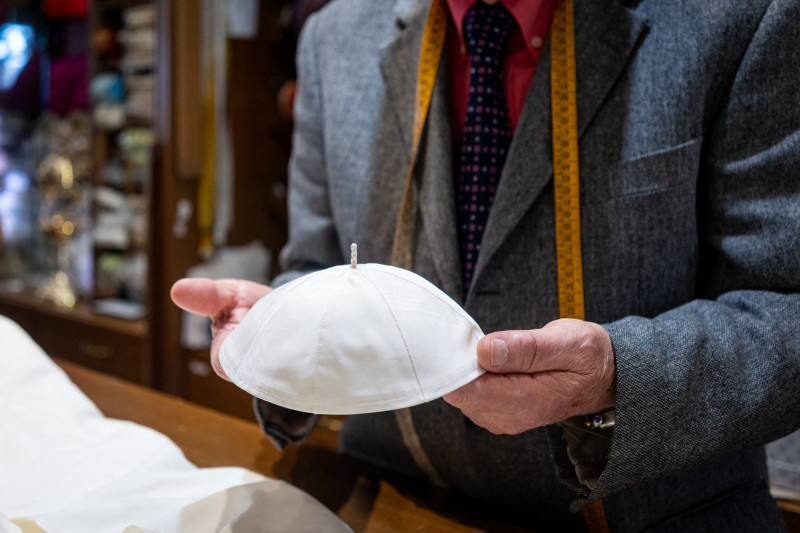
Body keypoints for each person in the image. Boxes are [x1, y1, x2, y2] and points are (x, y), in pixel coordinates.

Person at [171, 0, 800, 530]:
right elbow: (317, 262)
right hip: (395, 504)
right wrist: (283, 327)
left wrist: (618, 377)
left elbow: (786, 308)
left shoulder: (741, 16)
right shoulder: (333, 37)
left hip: (647, 517)